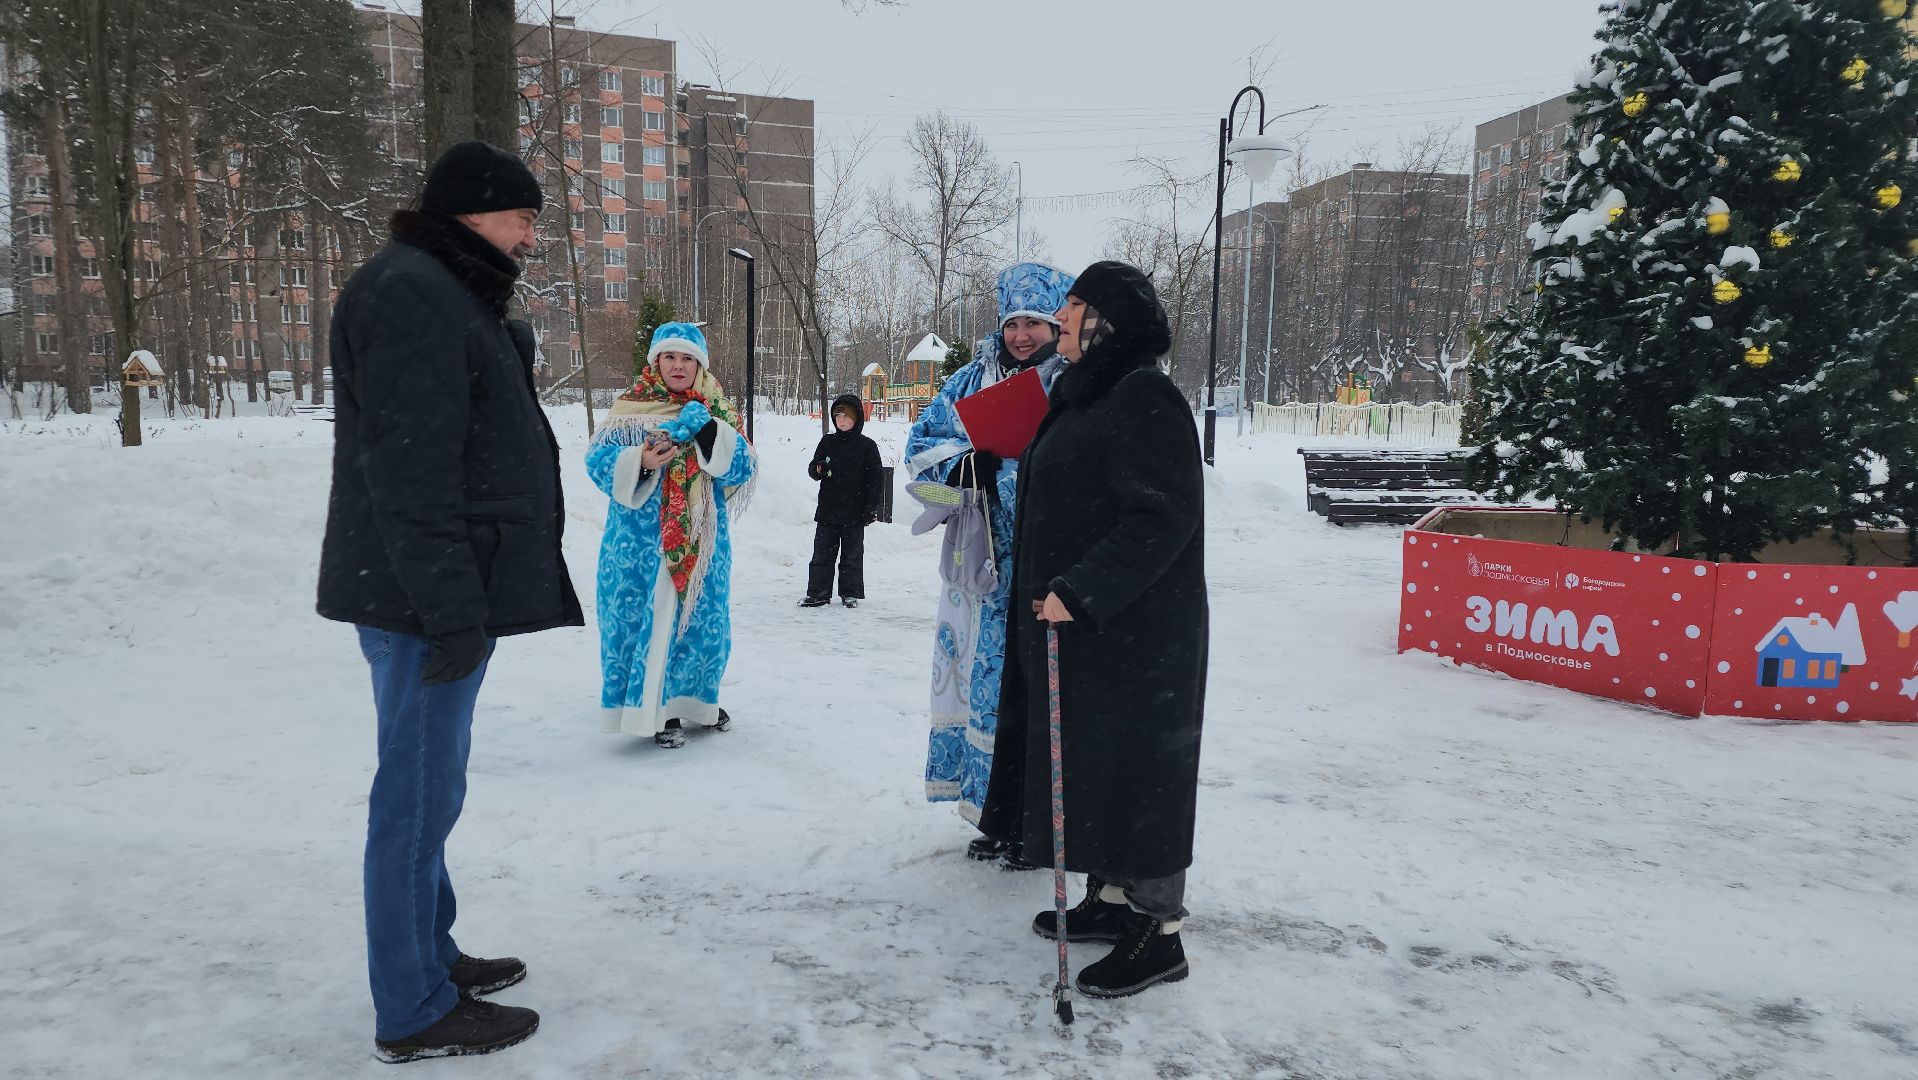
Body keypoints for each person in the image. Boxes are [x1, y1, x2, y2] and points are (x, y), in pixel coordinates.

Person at [317, 141, 582, 1063]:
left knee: (432, 788)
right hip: (419, 600)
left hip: (428, 591)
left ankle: (430, 954)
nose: (531, 237)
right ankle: (413, 1009)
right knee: (416, 799)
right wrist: (450, 611)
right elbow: (410, 472)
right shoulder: (412, 293)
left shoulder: (441, 289)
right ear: (473, 210)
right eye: (523, 218)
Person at [977, 260, 1208, 1000]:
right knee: (1098, 765)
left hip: (1138, 634)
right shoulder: (1086, 393)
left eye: (1074, 305)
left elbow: (1162, 517)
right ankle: (1110, 898)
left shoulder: (1145, 395)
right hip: (1087, 631)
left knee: (1141, 774)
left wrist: (1081, 589)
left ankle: (1158, 932)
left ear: (1108, 319)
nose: (1060, 319)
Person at [905, 262, 1077, 867]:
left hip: (1048, 564)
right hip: (980, 567)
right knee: (986, 689)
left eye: (1035, 323)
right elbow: (919, 450)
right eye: (1013, 324)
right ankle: (994, 812)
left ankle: (1039, 824)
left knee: (1038, 691)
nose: (1022, 336)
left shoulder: (1075, 382)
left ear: (1056, 324)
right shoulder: (970, 380)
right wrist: (964, 466)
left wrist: (1020, 471)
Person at [586, 321, 757, 749]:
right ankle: (656, 710)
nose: (678, 366)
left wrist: (708, 431)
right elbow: (596, 462)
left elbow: (743, 468)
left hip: (701, 540)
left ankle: (696, 703)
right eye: (670, 357)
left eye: (687, 359)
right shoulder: (631, 407)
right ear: (656, 361)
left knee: (700, 626)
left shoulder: (716, 407)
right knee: (644, 621)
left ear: (699, 365)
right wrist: (640, 462)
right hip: (640, 542)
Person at [802, 393, 884, 609]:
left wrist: (871, 507)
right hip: (828, 510)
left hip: (855, 512)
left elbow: (876, 480)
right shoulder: (827, 442)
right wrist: (819, 468)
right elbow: (813, 470)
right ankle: (818, 594)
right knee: (822, 554)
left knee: (852, 555)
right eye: (838, 416)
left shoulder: (867, 446)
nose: (841, 420)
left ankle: (850, 593)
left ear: (856, 418)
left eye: (846, 416)